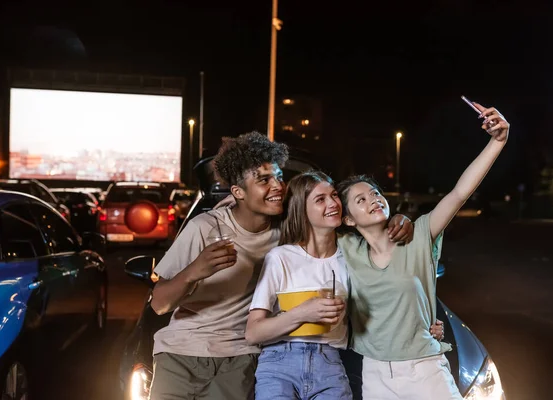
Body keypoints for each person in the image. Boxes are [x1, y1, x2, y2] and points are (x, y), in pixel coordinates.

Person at [147, 131, 415, 399]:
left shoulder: (287, 236)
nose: (277, 185)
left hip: (240, 355)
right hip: (181, 350)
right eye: (264, 180)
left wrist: (395, 219)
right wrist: (194, 271)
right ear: (238, 192)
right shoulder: (204, 228)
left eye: (278, 177)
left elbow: (343, 228)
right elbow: (159, 304)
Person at [336, 103, 510, 399]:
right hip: (376, 373)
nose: (373, 200)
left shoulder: (419, 235)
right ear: (348, 219)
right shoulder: (344, 248)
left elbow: (459, 192)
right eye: (361, 200)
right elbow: (303, 221)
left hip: (426, 368)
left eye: (375, 193)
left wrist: (498, 141)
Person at [245, 171, 445, 400]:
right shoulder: (281, 257)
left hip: (330, 362)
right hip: (280, 361)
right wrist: (302, 313)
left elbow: (386, 293)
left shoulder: (351, 257)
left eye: (334, 196)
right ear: (301, 209)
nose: (332, 203)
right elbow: (253, 333)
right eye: (320, 200)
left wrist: (424, 322)